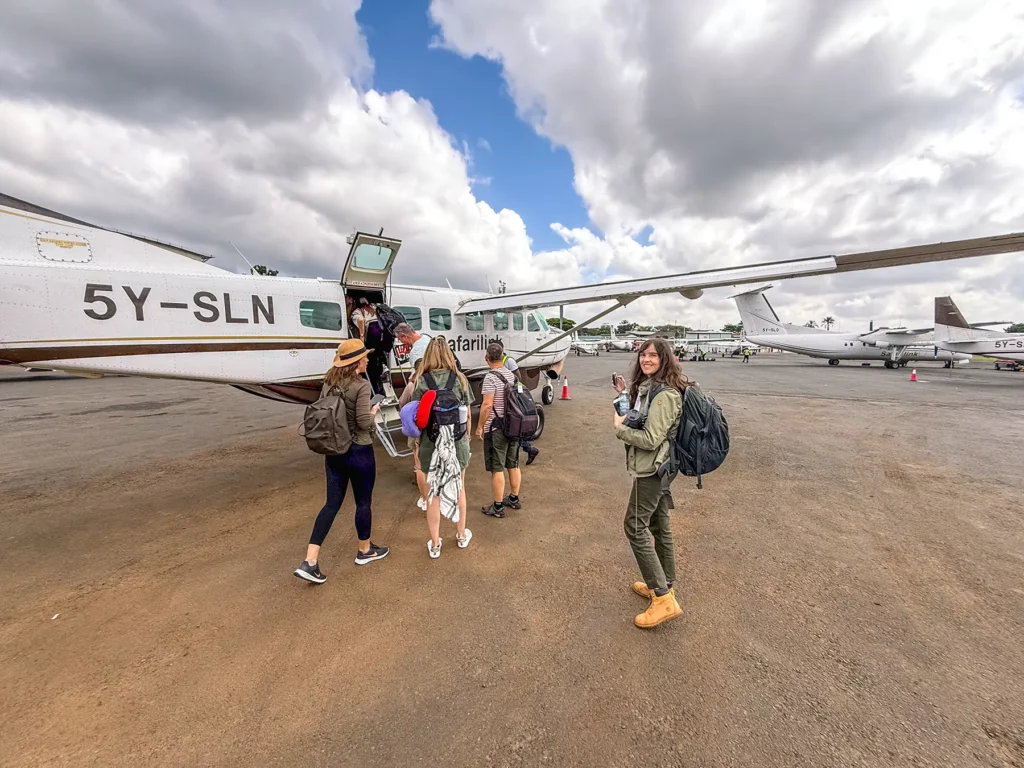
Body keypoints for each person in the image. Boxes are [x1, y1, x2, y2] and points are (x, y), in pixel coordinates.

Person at [294, 339, 388, 584]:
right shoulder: (361, 386)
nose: (367, 359)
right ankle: (365, 550)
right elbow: (363, 422)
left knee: (331, 504)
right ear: (356, 362)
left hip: (334, 450)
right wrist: (375, 411)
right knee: (363, 502)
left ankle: (310, 561)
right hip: (359, 451)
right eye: (365, 357)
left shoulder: (329, 382)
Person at [613, 337, 685, 629]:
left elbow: (651, 438)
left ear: (664, 359)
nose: (646, 359)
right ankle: (664, 584)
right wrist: (623, 396)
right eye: (643, 354)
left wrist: (619, 429)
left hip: (652, 470)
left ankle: (663, 599)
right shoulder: (652, 387)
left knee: (634, 526)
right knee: (658, 525)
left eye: (653, 355)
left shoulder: (665, 395)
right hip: (658, 466)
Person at [411, 337, 473, 558]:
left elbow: (416, 418)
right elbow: (467, 415)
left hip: (431, 444)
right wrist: (466, 439)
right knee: (460, 487)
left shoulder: (421, 381)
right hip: (457, 443)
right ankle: (461, 535)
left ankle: (436, 544)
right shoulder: (460, 379)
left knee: (433, 494)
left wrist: (417, 444)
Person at [477, 342, 522, 518]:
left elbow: (487, 405)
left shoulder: (490, 378)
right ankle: (514, 498)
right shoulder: (511, 375)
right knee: (513, 464)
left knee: (497, 467)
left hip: (496, 427)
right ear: (503, 357)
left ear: (486, 358)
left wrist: (480, 427)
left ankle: (497, 506)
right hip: (514, 426)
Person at [494, 344, 540, 465]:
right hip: (507, 397)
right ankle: (528, 449)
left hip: (513, 397)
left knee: (516, 427)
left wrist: (512, 391)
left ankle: (528, 450)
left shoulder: (509, 361)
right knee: (514, 428)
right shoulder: (497, 363)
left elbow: (518, 377)